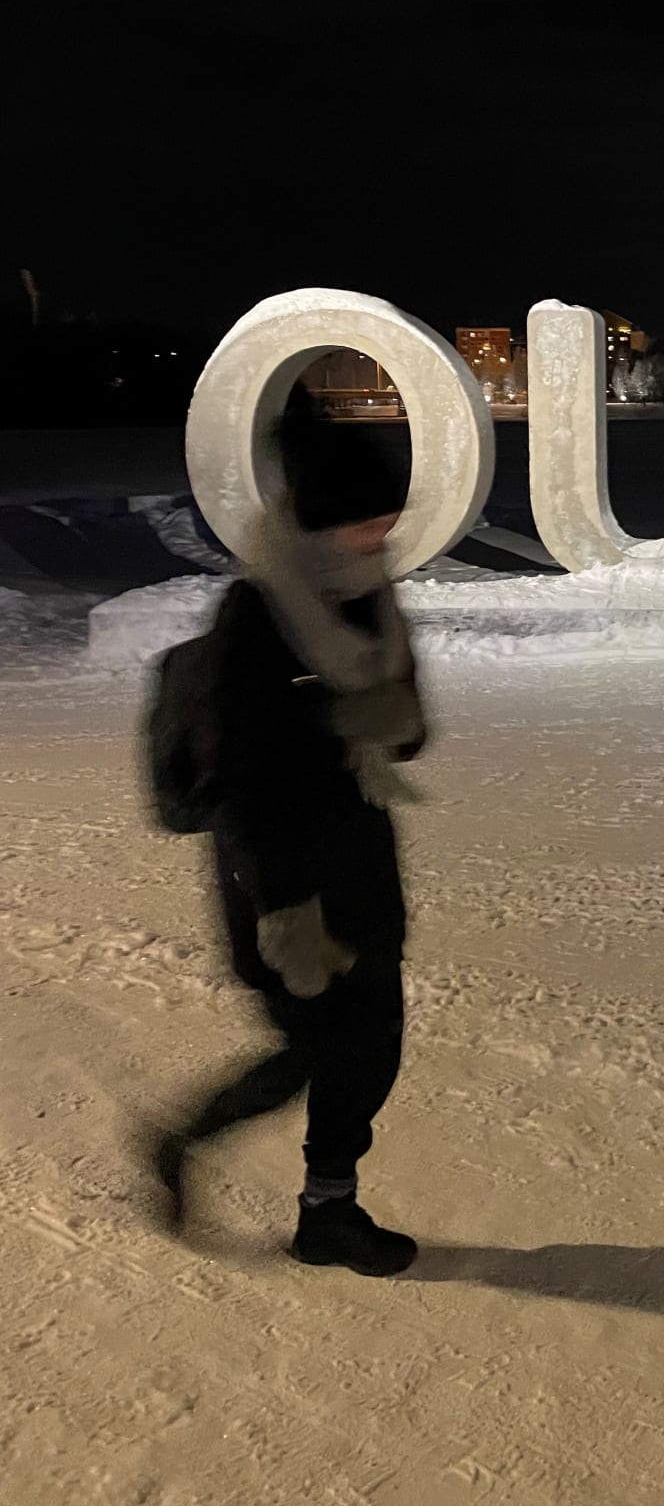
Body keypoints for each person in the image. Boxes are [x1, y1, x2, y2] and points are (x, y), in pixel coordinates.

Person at [146, 387, 426, 1276]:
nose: (383, 536)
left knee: (373, 1040)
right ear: (318, 519)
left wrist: (388, 718)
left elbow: (407, 733)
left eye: (389, 518)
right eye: (367, 521)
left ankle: (327, 1213)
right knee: (310, 1048)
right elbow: (243, 783)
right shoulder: (257, 619)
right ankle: (182, 1139)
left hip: (360, 852)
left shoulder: (368, 597)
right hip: (282, 876)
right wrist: (283, 910)